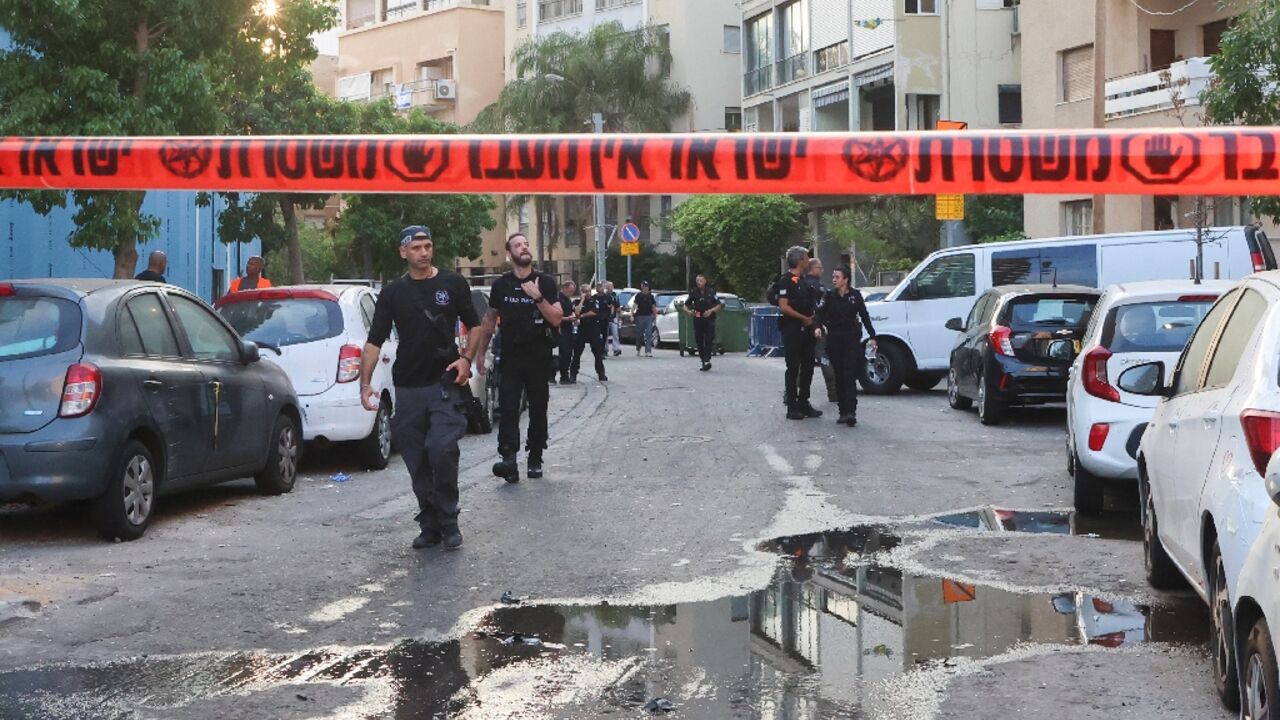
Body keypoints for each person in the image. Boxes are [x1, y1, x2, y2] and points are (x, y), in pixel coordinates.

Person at [359, 226, 480, 551]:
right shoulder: (393, 292)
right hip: (408, 386)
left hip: (444, 384)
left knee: (442, 450)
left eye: (428, 246)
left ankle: (449, 521)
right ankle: (430, 523)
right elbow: (374, 340)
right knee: (416, 458)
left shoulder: (453, 283)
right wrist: (365, 383)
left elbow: (477, 324)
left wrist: (467, 358)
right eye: (416, 248)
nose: (424, 252)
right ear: (404, 252)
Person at [475, 233, 563, 483]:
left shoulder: (544, 282)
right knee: (509, 408)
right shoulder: (501, 285)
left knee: (538, 409)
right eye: (518, 245)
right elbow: (489, 320)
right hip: (511, 357)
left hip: (538, 356)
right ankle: (509, 458)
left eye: (526, 244)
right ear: (509, 254)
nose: (524, 247)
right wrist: (481, 353)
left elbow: (556, 318)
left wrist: (537, 297)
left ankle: (535, 455)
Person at [819, 265, 878, 426]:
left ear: (845, 279)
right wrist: (818, 327)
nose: (834, 280)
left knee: (849, 375)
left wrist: (873, 336)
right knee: (839, 375)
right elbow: (820, 314)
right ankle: (842, 411)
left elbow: (864, 316)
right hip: (835, 339)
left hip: (851, 339)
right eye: (833, 277)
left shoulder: (855, 295)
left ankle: (851, 412)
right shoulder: (829, 296)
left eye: (837, 277)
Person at [774, 246, 823, 420]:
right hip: (792, 330)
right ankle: (792, 406)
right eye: (807, 258)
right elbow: (783, 306)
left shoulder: (802, 280)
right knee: (793, 368)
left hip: (807, 331)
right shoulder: (786, 280)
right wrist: (803, 318)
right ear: (800, 260)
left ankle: (804, 402)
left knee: (808, 367)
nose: (809, 261)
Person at [805, 258, 837, 404]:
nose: (822, 270)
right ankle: (833, 392)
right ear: (813, 268)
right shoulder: (819, 287)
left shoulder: (801, 283)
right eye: (820, 267)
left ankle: (793, 393)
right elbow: (822, 308)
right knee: (824, 359)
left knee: (802, 361)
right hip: (818, 327)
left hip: (804, 327)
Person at [685, 274, 724, 371]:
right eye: (697, 280)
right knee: (699, 341)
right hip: (698, 318)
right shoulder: (694, 292)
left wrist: (711, 311)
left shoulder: (711, 291)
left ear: (705, 281)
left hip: (709, 318)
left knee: (709, 339)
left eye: (701, 280)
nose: (699, 282)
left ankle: (707, 360)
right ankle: (703, 360)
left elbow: (719, 305)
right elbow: (686, 305)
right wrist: (689, 312)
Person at [571, 284, 607, 382]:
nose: (588, 293)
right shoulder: (577, 302)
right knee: (577, 353)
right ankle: (573, 374)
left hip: (593, 329)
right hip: (582, 329)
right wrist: (582, 300)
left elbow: (594, 312)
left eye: (589, 291)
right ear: (581, 292)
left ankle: (601, 374)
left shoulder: (594, 301)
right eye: (586, 291)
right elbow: (576, 312)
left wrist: (582, 316)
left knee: (598, 354)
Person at [556, 280, 577, 383]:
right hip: (561, 328)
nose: (571, 293)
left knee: (569, 352)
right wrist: (567, 318)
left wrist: (573, 315)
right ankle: (562, 375)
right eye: (570, 290)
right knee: (564, 352)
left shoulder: (567, 299)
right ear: (564, 288)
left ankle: (565, 375)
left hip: (569, 327)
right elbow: (556, 316)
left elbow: (571, 310)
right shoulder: (559, 299)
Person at [633, 280, 657, 357]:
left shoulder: (651, 296)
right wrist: (631, 314)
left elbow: (653, 306)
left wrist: (655, 315)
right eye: (644, 286)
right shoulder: (638, 296)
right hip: (640, 316)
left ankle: (648, 351)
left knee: (649, 333)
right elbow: (635, 305)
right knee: (640, 334)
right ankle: (638, 348)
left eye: (647, 286)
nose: (645, 288)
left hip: (649, 316)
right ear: (641, 287)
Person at [605, 281, 622, 356]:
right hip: (605, 317)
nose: (610, 287)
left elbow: (618, 306)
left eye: (611, 286)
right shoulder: (604, 296)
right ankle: (605, 349)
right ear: (606, 287)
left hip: (614, 317)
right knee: (605, 334)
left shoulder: (615, 295)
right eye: (609, 286)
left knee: (615, 333)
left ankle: (616, 349)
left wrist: (619, 314)